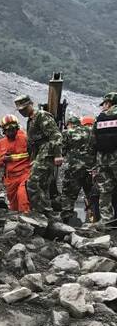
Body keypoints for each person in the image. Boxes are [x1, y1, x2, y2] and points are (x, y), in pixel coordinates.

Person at [14, 94, 64, 220]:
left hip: (46, 152)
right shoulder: (31, 120)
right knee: (42, 185)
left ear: (31, 104)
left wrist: (58, 154)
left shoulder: (41, 115)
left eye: (24, 109)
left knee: (32, 182)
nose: (22, 112)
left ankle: (42, 212)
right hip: (39, 154)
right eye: (20, 110)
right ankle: (47, 214)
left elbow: (55, 135)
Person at [60, 115, 96, 225]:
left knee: (68, 197)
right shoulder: (95, 134)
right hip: (91, 170)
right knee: (92, 196)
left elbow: (62, 151)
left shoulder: (69, 133)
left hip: (73, 171)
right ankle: (94, 222)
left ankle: (65, 224)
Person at [0, 114, 31, 212]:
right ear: (4, 130)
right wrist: (3, 159)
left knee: (22, 197)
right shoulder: (0, 144)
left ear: (17, 128)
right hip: (10, 178)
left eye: (13, 129)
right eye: (8, 129)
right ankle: (14, 222)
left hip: (25, 174)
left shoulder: (25, 139)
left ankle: (25, 221)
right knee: (13, 204)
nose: (11, 131)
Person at [93, 92, 117, 227]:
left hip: (103, 159)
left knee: (105, 189)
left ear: (108, 103)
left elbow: (93, 139)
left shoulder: (100, 118)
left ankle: (106, 219)